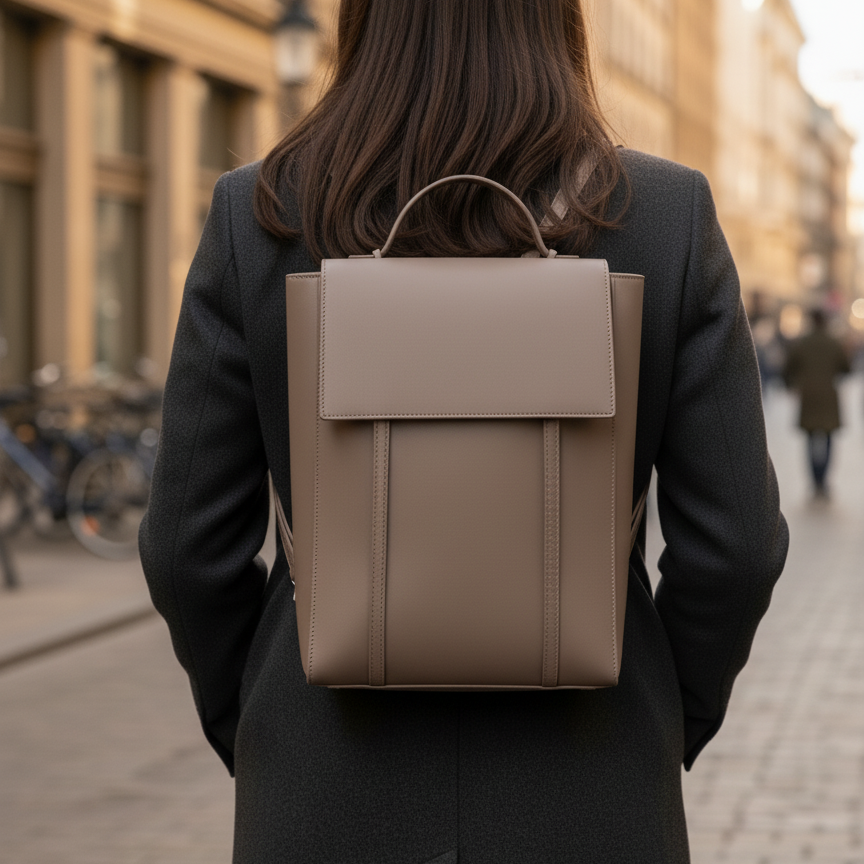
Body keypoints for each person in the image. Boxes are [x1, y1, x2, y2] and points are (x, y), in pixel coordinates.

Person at [139, 2, 789, 861]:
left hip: (324, 790)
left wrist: (261, 720)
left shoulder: (258, 216)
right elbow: (736, 547)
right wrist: (664, 716)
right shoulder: (664, 216)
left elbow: (187, 549)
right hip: (592, 788)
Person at [784, 309, 851, 497]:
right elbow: (846, 368)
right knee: (828, 438)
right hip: (828, 397)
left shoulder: (802, 342)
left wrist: (790, 385)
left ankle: (814, 480)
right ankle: (823, 481)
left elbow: (788, 367)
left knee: (810, 438)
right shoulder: (834, 342)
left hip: (808, 397)